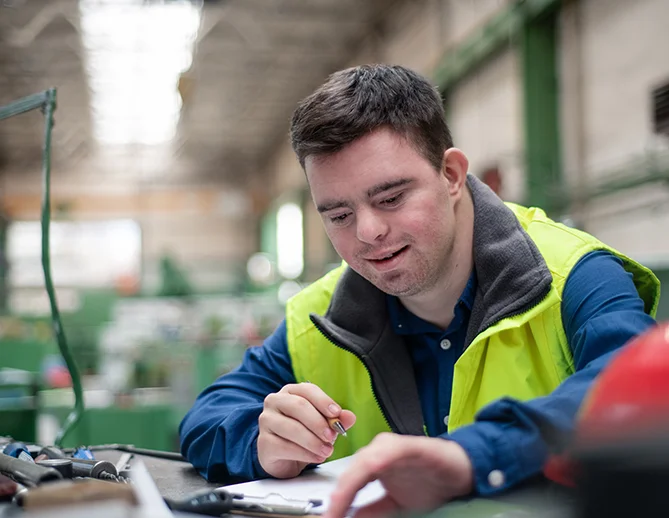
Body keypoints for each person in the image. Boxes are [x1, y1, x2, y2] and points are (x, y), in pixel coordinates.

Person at [179, 65, 659, 516]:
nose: (368, 232)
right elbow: (206, 417)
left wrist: (473, 455)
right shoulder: (320, 318)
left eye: (391, 198)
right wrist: (259, 441)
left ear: (451, 174)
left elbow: (641, 398)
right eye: (339, 215)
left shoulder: (574, 277)